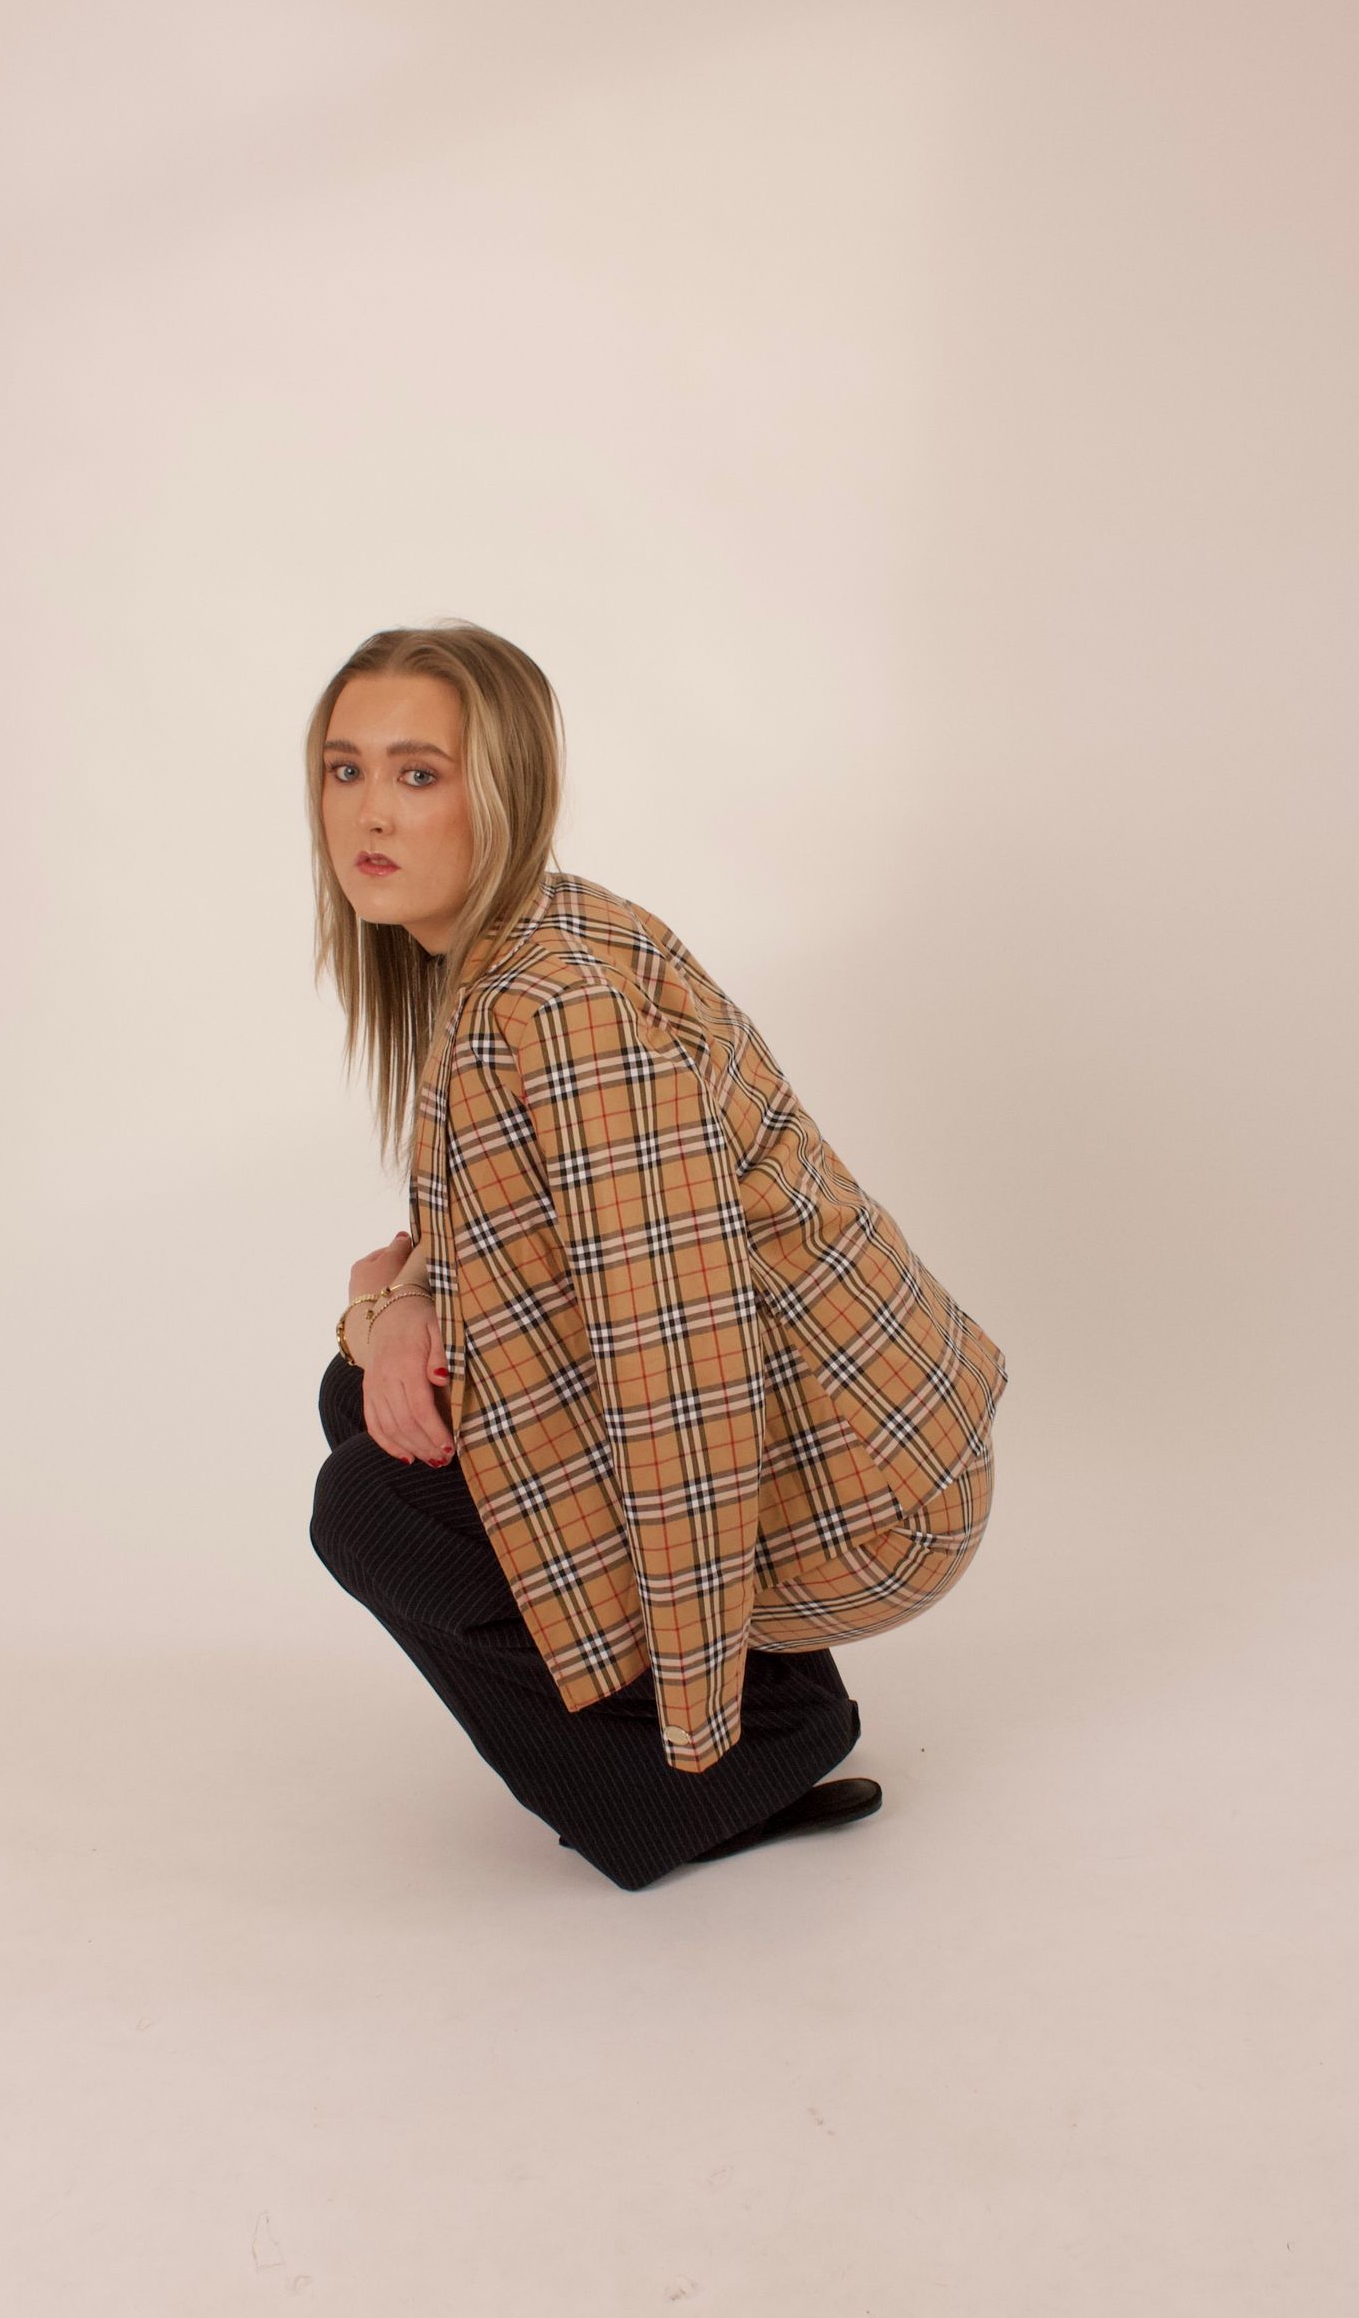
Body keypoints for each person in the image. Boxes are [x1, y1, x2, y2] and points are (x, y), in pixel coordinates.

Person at [306, 620, 1009, 1891]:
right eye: (345, 768)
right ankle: (758, 1725)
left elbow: (676, 1356)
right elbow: (516, 1256)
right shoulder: (508, 950)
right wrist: (396, 1309)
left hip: (868, 1487)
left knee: (372, 1511)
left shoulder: (557, 1007)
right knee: (368, 1408)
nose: (373, 812)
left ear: (507, 790)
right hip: (813, 1429)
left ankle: (723, 1775)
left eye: (420, 773)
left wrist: (699, 1712)